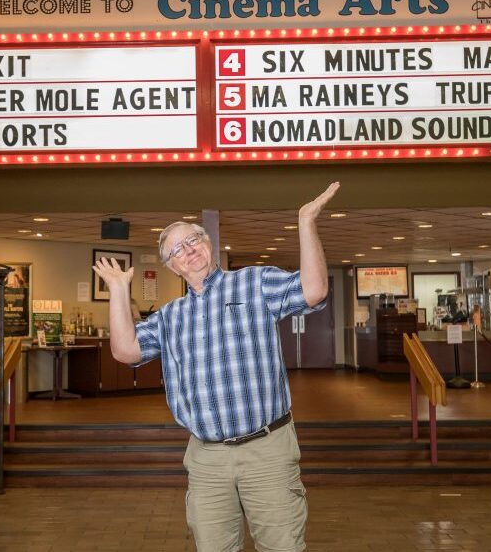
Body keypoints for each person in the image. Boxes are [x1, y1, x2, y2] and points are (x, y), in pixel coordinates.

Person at [92, 182, 339, 552]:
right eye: (177, 249)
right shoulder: (170, 317)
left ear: (209, 244)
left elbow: (314, 290)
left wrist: (305, 222)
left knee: (283, 546)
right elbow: (126, 351)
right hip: (206, 459)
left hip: (267, 450)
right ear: (171, 265)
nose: (188, 250)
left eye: (193, 239)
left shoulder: (254, 282)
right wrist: (116, 290)